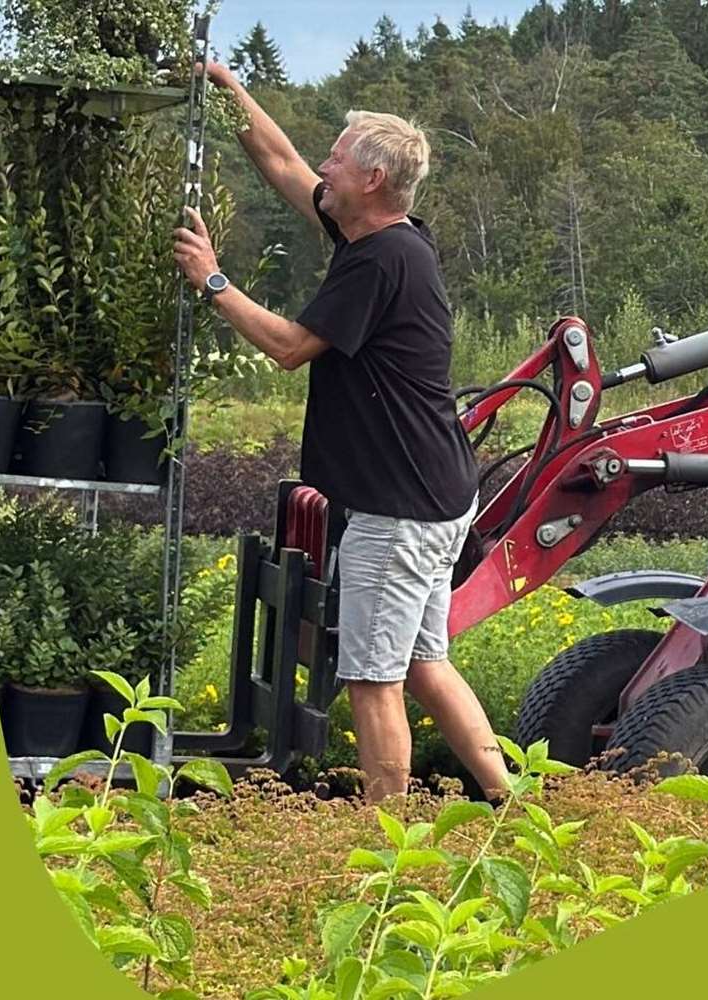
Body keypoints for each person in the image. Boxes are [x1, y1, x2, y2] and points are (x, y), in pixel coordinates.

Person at [170, 59, 510, 802]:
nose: (324, 163)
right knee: (422, 662)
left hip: (400, 507)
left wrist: (213, 281)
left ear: (375, 181)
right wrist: (227, 90)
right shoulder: (377, 235)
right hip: (435, 492)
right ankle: (513, 799)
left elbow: (291, 348)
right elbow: (282, 163)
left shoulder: (382, 260)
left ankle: (386, 841)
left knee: (373, 677)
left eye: (340, 156)